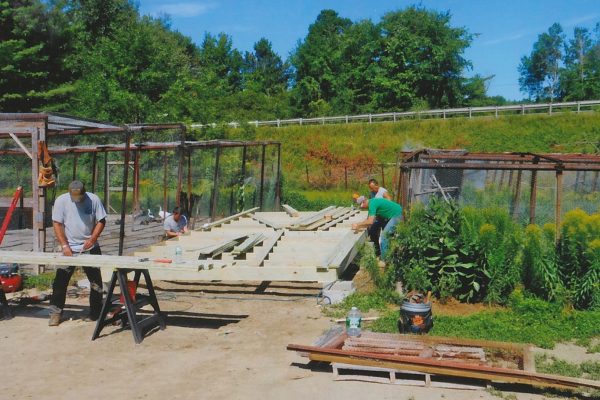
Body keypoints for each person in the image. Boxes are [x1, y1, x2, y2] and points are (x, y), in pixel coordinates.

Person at [49, 180, 107, 326]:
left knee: (96, 283)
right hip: (69, 248)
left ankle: (95, 312)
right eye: (74, 197)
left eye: (79, 197)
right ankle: (56, 313)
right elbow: (57, 223)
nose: (77, 199)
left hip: (90, 248)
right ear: (69, 193)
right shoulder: (61, 201)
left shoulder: (93, 199)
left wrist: (93, 239)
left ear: (84, 192)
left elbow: (101, 220)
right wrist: (64, 245)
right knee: (60, 282)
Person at [352, 196, 402, 260]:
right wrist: (361, 225)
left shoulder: (372, 205)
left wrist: (357, 225)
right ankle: (378, 253)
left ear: (364, 202)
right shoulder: (372, 202)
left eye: (362, 206)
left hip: (396, 214)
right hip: (387, 215)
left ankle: (385, 260)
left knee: (384, 237)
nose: (363, 208)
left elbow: (370, 221)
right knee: (373, 230)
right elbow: (369, 220)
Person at [366, 179, 392, 256]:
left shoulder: (382, 191)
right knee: (372, 232)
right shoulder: (372, 193)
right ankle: (378, 252)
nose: (372, 189)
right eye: (370, 188)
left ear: (377, 185)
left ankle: (386, 254)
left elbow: (389, 200)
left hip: (385, 217)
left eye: (373, 187)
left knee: (385, 236)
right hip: (377, 218)